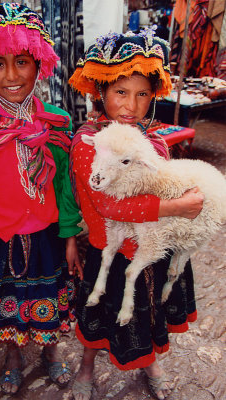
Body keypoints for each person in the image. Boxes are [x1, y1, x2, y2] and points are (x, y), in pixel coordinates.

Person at [0, 3, 83, 395]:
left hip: (48, 238)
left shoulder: (56, 121)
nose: (11, 75)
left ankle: (52, 352)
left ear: (38, 63)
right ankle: (12, 355)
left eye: (22, 61)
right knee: (5, 304)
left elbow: (65, 187)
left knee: (50, 302)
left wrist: (72, 235)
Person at [68, 29, 204, 400]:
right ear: (101, 93)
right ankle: (86, 366)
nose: (131, 105)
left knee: (145, 314)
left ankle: (149, 363)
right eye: (121, 93)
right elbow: (107, 204)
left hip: (151, 247)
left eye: (142, 94)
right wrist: (178, 207)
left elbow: (164, 182)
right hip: (110, 248)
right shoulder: (89, 141)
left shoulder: (154, 139)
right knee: (98, 315)